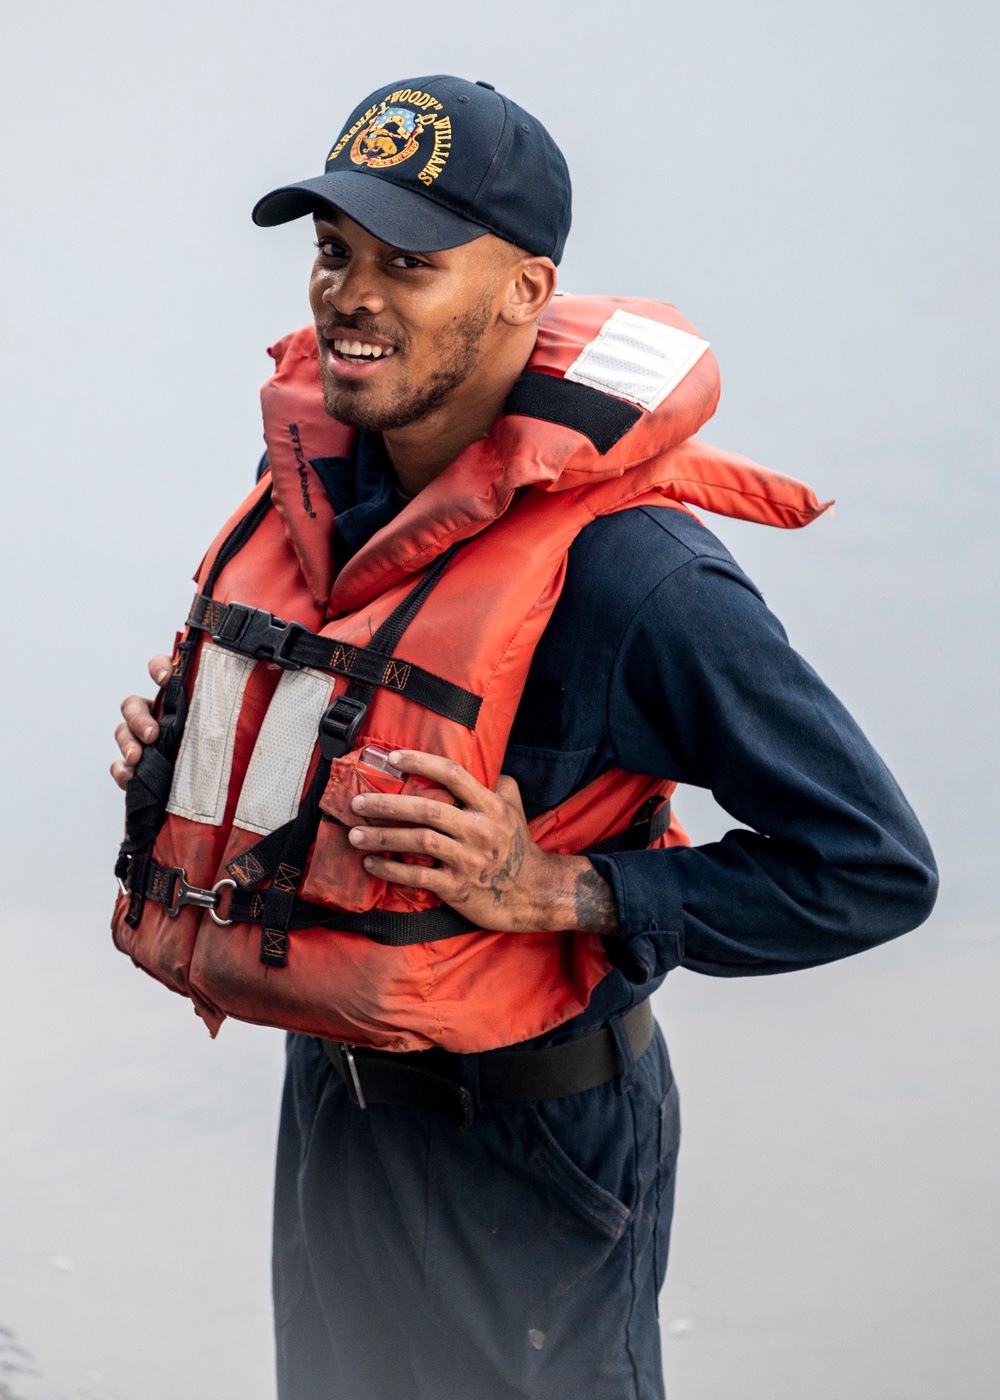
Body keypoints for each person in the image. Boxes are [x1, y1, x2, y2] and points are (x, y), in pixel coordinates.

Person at [110, 74, 937, 1400]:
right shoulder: (327, 497)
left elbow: (874, 869)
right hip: (336, 1109)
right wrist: (194, 756)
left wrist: (562, 887)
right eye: (334, 254)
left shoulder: (641, 575)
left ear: (524, 292)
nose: (351, 296)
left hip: (530, 1151)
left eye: (411, 265)